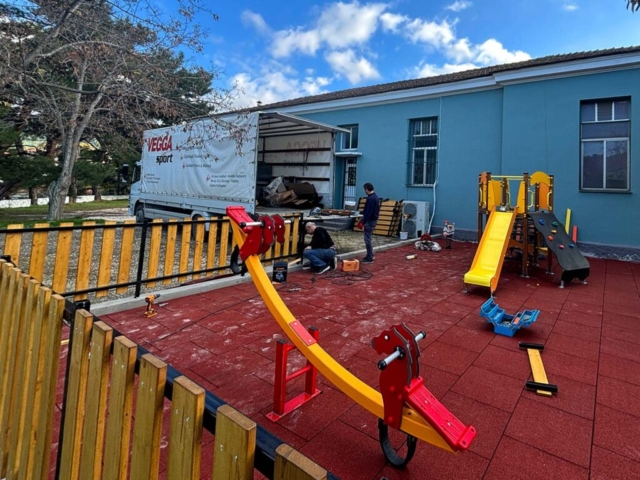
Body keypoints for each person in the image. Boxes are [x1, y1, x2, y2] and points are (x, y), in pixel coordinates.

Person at [358, 182, 380, 263]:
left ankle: (369, 257)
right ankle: (370, 255)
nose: (365, 191)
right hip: (373, 220)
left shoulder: (371, 199)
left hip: (370, 221)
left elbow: (369, 212)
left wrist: (363, 222)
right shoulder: (375, 197)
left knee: (367, 239)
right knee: (368, 238)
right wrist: (362, 212)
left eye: (365, 189)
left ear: (367, 189)